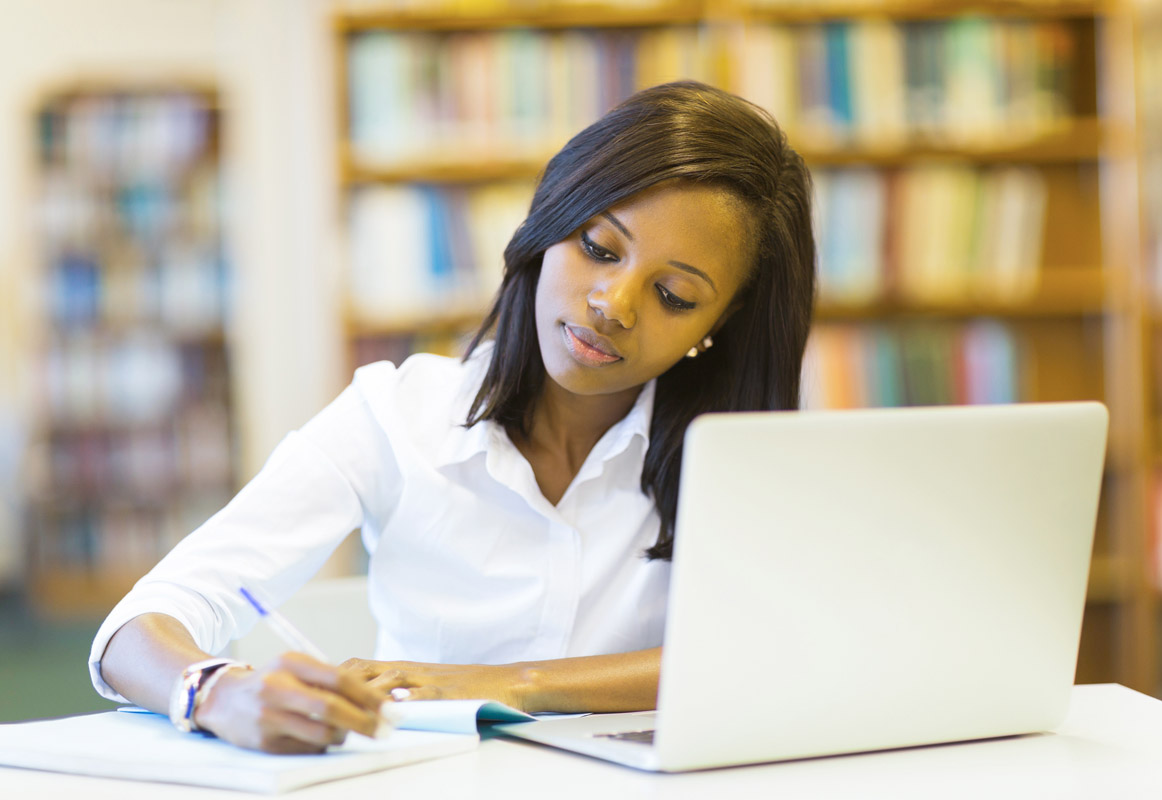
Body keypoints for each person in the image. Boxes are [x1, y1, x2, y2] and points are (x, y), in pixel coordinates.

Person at [91, 80, 816, 754]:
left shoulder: (738, 456)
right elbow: (137, 627)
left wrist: (506, 684)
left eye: (675, 296)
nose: (614, 305)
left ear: (718, 323)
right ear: (549, 223)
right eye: (598, 248)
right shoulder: (398, 414)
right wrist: (216, 693)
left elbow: (767, 652)